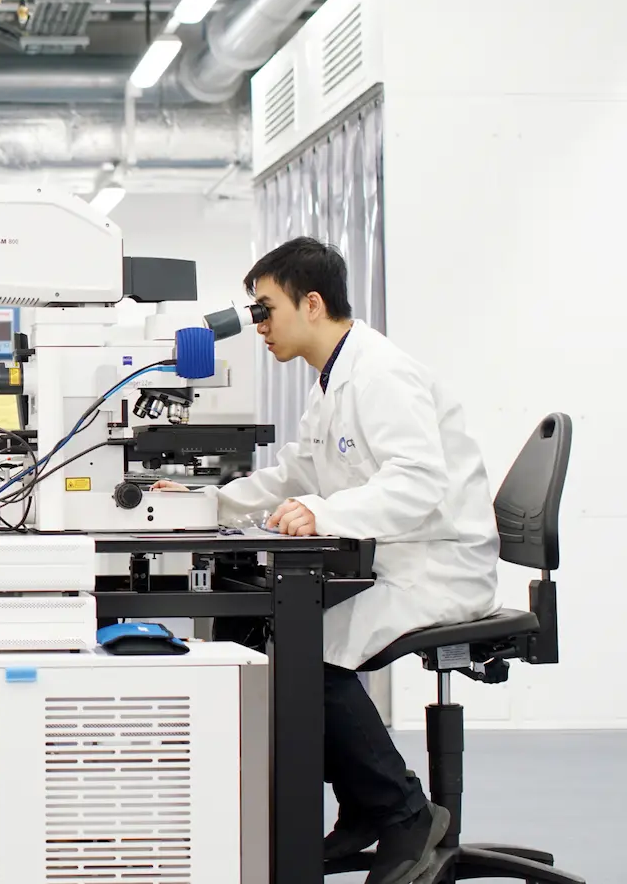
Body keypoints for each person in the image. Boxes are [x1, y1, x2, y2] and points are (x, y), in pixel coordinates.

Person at [154, 237, 499, 884]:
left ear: (311, 304)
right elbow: (293, 475)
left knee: (308, 652)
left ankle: (404, 814)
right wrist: (207, 506)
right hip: (392, 560)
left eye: (266, 309)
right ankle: (363, 812)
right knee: (272, 636)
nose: (258, 326)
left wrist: (326, 514)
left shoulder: (381, 374)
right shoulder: (335, 380)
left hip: (435, 566)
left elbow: (419, 484)